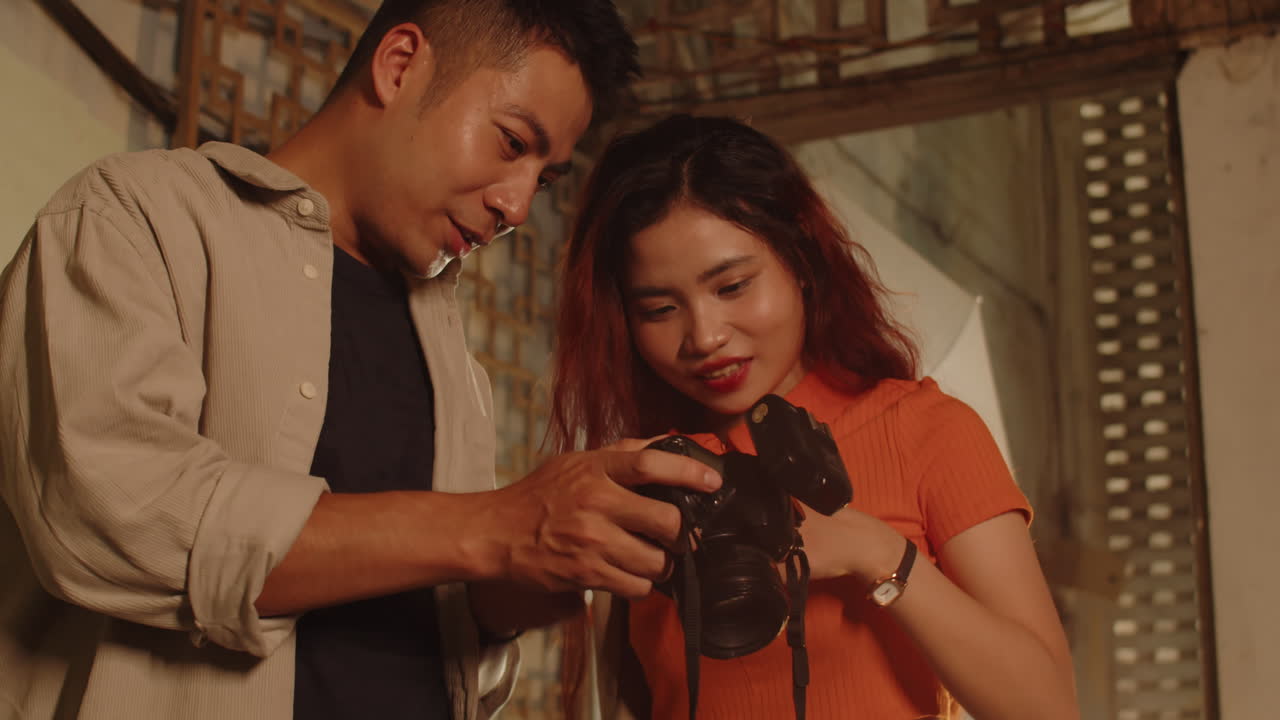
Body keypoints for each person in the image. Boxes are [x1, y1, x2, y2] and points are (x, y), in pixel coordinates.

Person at [0, 4, 723, 720]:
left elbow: (448, 632)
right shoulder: (136, 219)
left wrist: (518, 592)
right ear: (399, 64)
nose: (517, 205)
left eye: (545, 178)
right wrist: (500, 526)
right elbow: (108, 513)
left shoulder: (452, 359)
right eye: (510, 143)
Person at [548, 114, 1080, 720]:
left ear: (800, 258)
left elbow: (1048, 707)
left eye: (733, 286)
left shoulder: (926, 431)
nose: (705, 336)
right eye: (661, 307)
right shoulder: (643, 473)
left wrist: (879, 553)